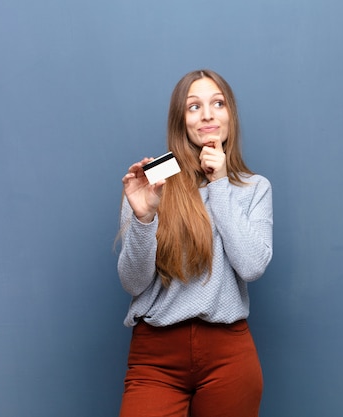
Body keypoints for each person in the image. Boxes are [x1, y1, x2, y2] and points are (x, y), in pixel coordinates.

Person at [116, 69, 273, 417]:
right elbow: (133, 282)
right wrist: (144, 218)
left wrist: (219, 183)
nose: (207, 114)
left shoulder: (254, 188)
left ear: (230, 114)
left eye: (218, 103)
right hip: (155, 356)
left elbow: (251, 266)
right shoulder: (153, 179)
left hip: (228, 355)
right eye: (193, 106)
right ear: (180, 120)